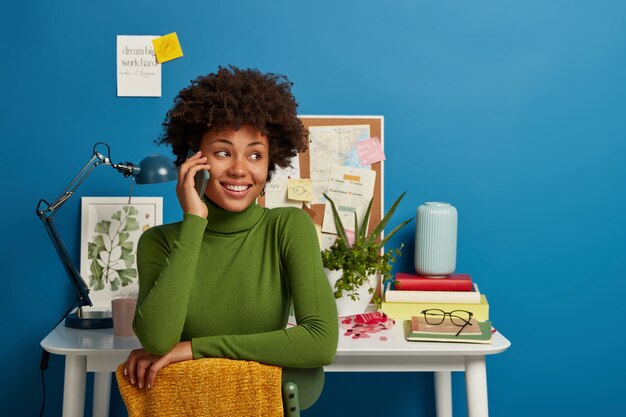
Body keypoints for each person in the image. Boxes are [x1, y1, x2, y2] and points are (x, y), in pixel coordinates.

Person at [124, 66, 338, 390]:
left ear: (270, 164)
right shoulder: (158, 242)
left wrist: (195, 349)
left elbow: (321, 342)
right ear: (195, 161)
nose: (239, 169)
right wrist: (194, 222)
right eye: (223, 152)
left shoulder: (288, 227)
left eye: (255, 155)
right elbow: (156, 340)